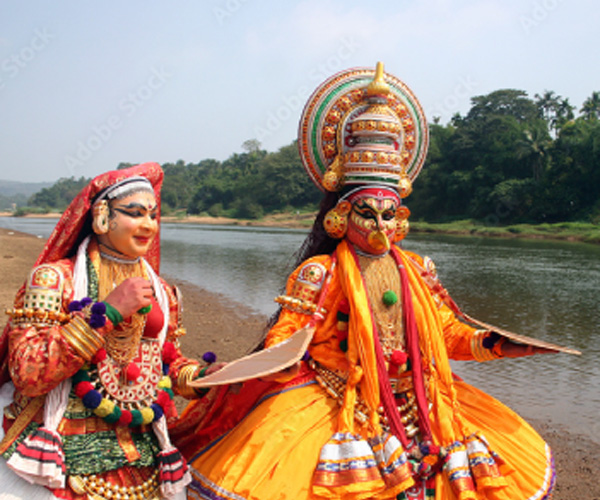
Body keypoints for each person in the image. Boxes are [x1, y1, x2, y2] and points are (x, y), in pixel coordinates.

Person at [172, 64, 565, 500]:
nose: (379, 223)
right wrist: (279, 361)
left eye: (389, 212)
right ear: (341, 215)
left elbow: (446, 332)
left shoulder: (417, 269)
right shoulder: (320, 273)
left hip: (421, 400)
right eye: (367, 212)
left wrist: (494, 344)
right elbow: (288, 338)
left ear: (401, 218)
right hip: (341, 402)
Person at [0, 163, 210, 500]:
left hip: (143, 452)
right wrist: (107, 312)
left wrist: (204, 376)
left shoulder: (164, 293)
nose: (148, 226)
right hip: (62, 455)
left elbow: (164, 366)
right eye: (136, 213)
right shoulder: (53, 280)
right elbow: (27, 371)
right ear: (101, 215)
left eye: (154, 216)